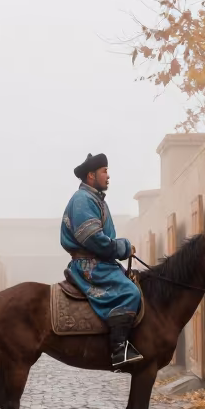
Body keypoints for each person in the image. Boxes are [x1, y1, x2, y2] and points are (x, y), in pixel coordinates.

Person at [60, 153, 143, 368]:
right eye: (104, 171)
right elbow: (93, 239)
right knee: (130, 292)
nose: (108, 176)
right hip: (90, 265)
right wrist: (123, 247)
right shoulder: (83, 199)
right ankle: (119, 349)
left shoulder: (95, 199)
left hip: (102, 263)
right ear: (91, 175)